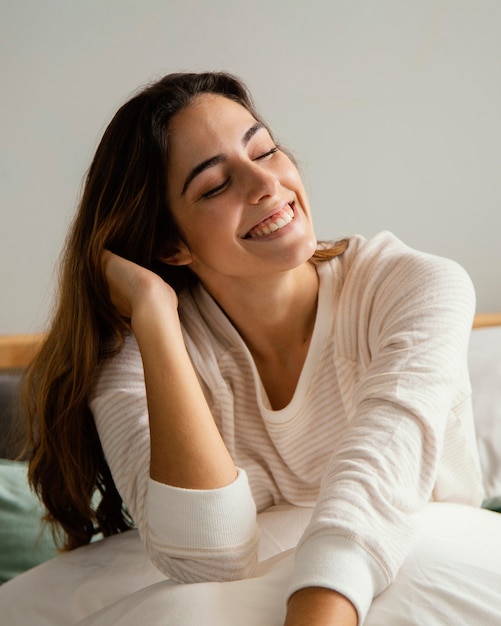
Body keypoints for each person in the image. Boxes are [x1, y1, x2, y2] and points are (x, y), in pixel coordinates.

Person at [24, 71, 484, 625]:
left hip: (419, 555)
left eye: (264, 150)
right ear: (170, 245)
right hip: (223, 590)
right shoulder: (139, 345)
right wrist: (154, 314)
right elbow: (206, 556)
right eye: (215, 186)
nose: (266, 183)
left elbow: (376, 482)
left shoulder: (417, 286)